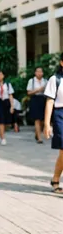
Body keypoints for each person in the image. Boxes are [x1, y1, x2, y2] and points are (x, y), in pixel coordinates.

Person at [44, 54, 63, 195]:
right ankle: (56, 178)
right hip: (59, 115)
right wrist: (46, 124)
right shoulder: (55, 79)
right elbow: (50, 102)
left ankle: (55, 178)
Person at [27, 67, 47, 144]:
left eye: (41, 71)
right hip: (35, 99)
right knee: (37, 119)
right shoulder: (31, 81)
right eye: (38, 71)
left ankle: (37, 133)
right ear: (35, 73)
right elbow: (28, 93)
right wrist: (38, 90)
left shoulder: (45, 81)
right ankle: (39, 138)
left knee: (43, 119)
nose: (39, 73)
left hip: (43, 99)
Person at [0, 70, 14, 146]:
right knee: (1, 120)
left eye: (1, 74)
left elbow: (10, 95)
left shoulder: (8, 84)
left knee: (7, 122)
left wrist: (12, 106)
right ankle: (3, 138)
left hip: (6, 102)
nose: (0, 76)